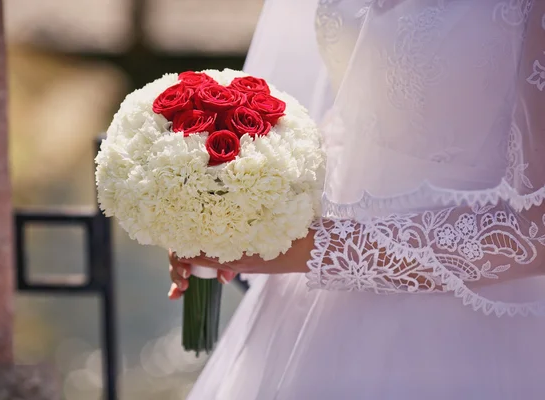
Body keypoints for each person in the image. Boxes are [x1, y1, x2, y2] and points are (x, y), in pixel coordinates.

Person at [169, 0, 545, 398]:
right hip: (307, 309)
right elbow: (355, 111)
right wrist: (247, 213)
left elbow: (536, 232)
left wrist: (315, 249)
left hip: (466, 327)